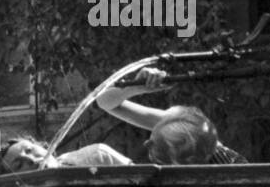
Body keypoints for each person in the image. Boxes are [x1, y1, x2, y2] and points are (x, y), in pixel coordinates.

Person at [96, 67, 246, 164]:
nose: (146, 143)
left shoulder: (222, 165)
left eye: (156, 147)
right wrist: (135, 87)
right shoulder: (181, 127)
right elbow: (103, 101)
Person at [0, 136, 130, 174]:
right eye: (18, 165)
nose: (31, 160)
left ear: (45, 147)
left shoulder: (98, 155)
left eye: (29, 150)